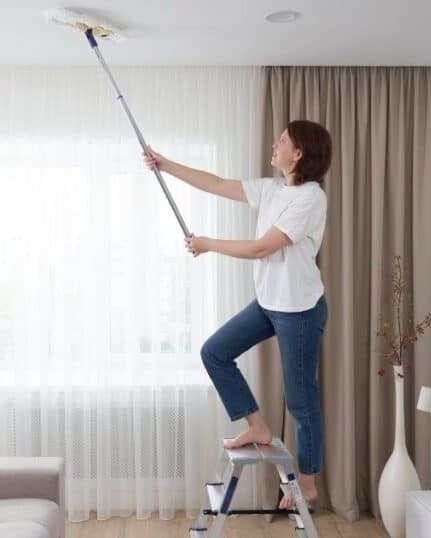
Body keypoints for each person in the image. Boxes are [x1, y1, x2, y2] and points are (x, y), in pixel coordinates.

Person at [143, 120, 331, 508]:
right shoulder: (274, 189)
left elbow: (264, 248)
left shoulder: (310, 198)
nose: (275, 144)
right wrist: (165, 164)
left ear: (298, 154)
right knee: (215, 352)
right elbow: (215, 183)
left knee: (300, 400)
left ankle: (308, 484)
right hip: (268, 302)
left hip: (299, 309)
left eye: (283, 140)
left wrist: (208, 243)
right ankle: (257, 426)